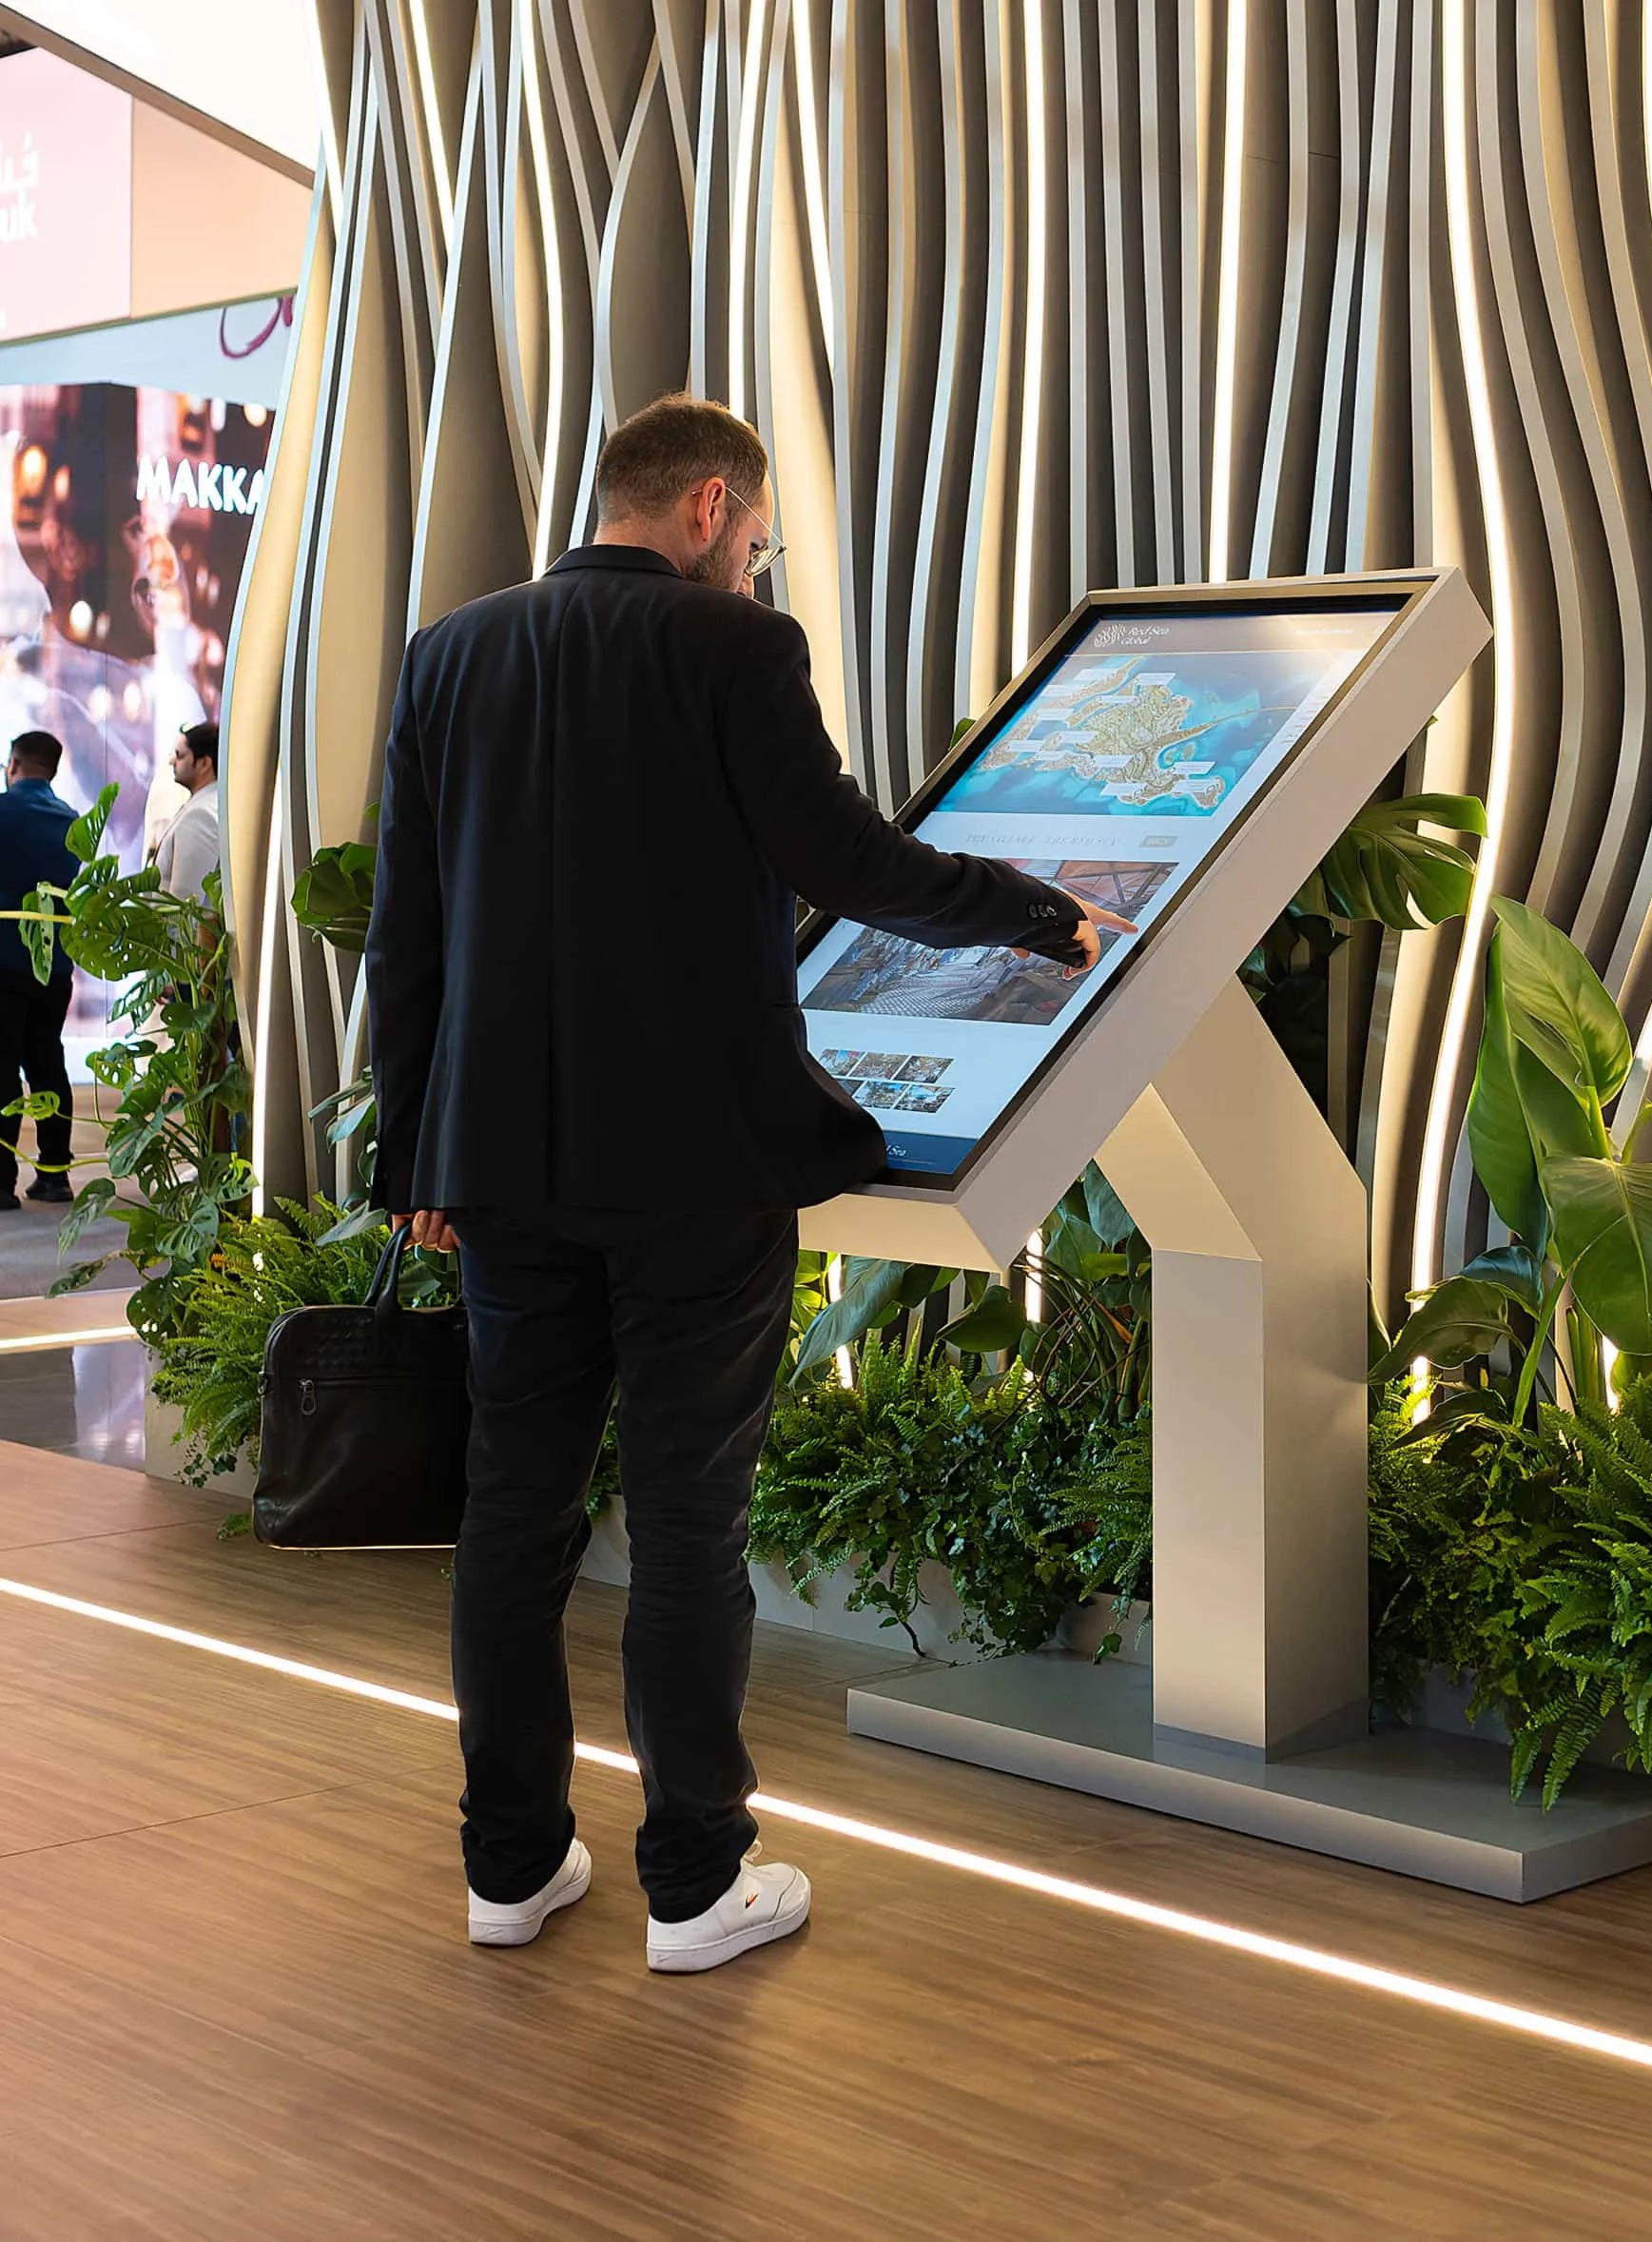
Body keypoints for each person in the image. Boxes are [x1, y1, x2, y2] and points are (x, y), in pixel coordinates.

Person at [364, 394, 1132, 1975]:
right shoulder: (733, 654)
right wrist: (1037, 914)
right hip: (697, 1167)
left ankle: (509, 1871)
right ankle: (694, 1886)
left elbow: (407, 927)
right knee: (688, 1519)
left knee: (514, 1515)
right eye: (759, 538)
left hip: (501, 1166)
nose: (757, 564)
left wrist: (409, 1153)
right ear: (710, 509)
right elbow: (846, 861)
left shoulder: (451, 655)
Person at [0, 730, 80, 1211]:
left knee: (0, 1070)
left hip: (1, 961)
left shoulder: (1, 811)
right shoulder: (72, 822)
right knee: (48, 1063)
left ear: (14, 764)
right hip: (52, 967)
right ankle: (54, 1174)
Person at [152, 721, 223, 904]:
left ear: (205, 763)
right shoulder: (205, 804)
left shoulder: (201, 815)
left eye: (180, 755)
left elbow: (185, 905)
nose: (171, 761)